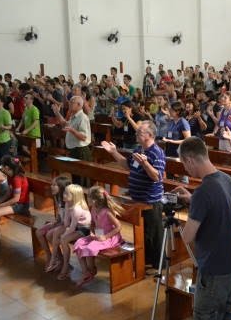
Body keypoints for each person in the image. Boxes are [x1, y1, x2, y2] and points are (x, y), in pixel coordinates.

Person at [172, 137, 231, 320]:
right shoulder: (227, 179)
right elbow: (221, 207)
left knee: (206, 317)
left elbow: (188, 236)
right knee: (226, 312)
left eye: (184, 164)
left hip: (213, 266)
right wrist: (194, 201)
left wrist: (176, 226)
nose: (185, 168)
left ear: (190, 160)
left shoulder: (203, 192)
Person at [101, 121, 165, 271]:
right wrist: (113, 152)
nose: (136, 134)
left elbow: (157, 177)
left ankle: (158, 266)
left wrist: (145, 164)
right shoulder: (139, 149)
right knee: (143, 233)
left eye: (140, 132)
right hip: (138, 200)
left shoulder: (157, 152)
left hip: (151, 201)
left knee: (154, 236)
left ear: (149, 135)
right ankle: (145, 260)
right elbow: (126, 165)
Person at [74, 186, 124, 287]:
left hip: (110, 237)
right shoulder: (93, 208)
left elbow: (119, 226)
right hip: (99, 233)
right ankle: (86, 272)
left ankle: (92, 270)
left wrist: (105, 236)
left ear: (94, 200)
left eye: (88, 197)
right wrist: (92, 232)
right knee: (79, 243)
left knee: (89, 248)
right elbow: (92, 223)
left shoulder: (107, 212)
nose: (86, 199)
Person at [0, 156, 30, 254]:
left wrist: (0, 206)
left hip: (21, 205)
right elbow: (9, 193)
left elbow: (16, 199)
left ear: (7, 168)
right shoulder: (10, 176)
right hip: (15, 203)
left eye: (2, 166)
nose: (1, 168)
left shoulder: (17, 178)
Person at [54, 184, 92, 280]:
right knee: (61, 237)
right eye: (64, 192)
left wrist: (64, 235)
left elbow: (72, 227)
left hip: (85, 230)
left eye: (67, 193)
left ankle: (66, 266)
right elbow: (67, 223)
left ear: (74, 196)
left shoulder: (76, 209)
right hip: (77, 228)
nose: (63, 194)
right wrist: (66, 208)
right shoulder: (69, 204)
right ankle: (66, 265)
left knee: (63, 240)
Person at [52, 96, 92, 185]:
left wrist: (72, 130)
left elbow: (84, 137)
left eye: (72, 102)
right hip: (74, 150)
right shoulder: (74, 116)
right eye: (70, 102)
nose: (69, 104)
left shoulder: (82, 117)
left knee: (82, 179)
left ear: (79, 105)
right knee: (75, 177)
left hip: (81, 151)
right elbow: (64, 124)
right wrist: (57, 113)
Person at [36, 176, 72, 272]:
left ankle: (63, 261)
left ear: (62, 187)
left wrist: (58, 224)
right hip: (61, 223)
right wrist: (56, 221)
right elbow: (60, 213)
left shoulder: (69, 200)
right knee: (39, 232)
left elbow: (70, 220)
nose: (51, 186)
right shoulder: (57, 197)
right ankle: (50, 256)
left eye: (54, 185)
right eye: (51, 184)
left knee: (49, 234)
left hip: (69, 225)